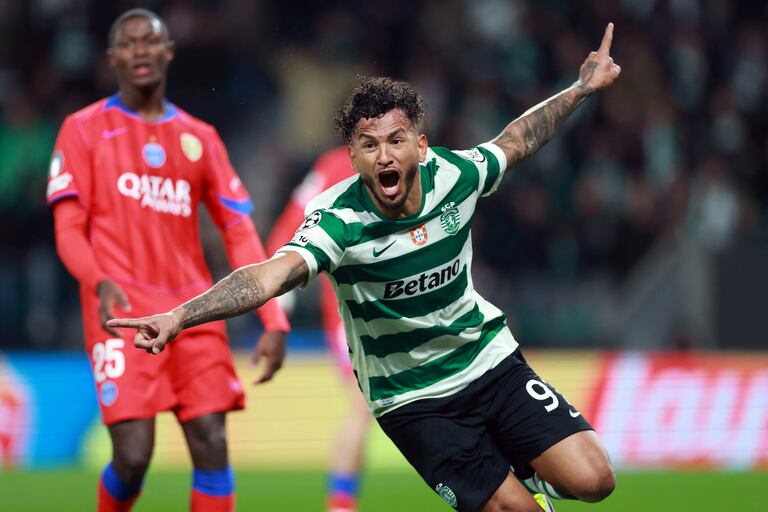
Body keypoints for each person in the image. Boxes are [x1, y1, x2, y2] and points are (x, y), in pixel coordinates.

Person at [110, 23, 622, 512]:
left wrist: (582, 87)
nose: (384, 156)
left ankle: (523, 464)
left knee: (596, 480)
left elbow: (518, 140)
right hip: (414, 400)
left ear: (420, 145)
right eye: (369, 145)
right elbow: (269, 274)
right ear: (351, 157)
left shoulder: (456, 175)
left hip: (488, 361)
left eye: (396, 140)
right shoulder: (339, 221)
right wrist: (179, 316)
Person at [46, 9, 290, 512]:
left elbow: (238, 231)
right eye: (129, 44)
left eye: (150, 41)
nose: (140, 50)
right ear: (112, 58)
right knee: (134, 458)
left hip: (192, 312)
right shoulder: (83, 129)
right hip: (123, 312)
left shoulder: (200, 137)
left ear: (168, 52)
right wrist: (97, 281)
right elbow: (68, 230)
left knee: (211, 443)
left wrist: (272, 317)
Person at [267, 147, 370, 512]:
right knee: (362, 406)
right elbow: (286, 233)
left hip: (400, 309)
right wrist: (280, 309)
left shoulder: (332, 166)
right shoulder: (334, 166)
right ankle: (340, 504)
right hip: (350, 318)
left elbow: (284, 229)